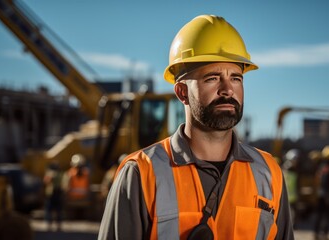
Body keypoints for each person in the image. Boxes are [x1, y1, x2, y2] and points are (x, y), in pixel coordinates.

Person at [98, 15, 294, 240]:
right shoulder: (141, 174)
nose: (227, 90)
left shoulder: (269, 173)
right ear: (182, 92)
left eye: (236, 78)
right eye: (212, 78)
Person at [314, 145, 329, 240]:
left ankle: (319, 232)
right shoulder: (327, 166)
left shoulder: (323, 166)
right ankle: (323, 233)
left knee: (321, 215)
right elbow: (325, 182)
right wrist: (328, 196)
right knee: (325, 215)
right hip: (326, 195)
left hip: (323, 194)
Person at [62, 153, 90, 220]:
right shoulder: (86, 173)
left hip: (72, 197)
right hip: (83, 198)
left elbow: (66, 186)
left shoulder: (70, 173)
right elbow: (88, 185)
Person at [43, 160, 64, 231]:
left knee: (52, 210)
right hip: (55, 194)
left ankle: (53, 225)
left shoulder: (52, 174)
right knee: (56, 211)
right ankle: (56, 225)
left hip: (53, 194)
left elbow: (46, 181)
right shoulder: (60, 174)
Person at [282, 149, 300, 227]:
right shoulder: (288, 171)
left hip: (291, 196)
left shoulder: (288, 170)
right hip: (288, 196)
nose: (296, 162)